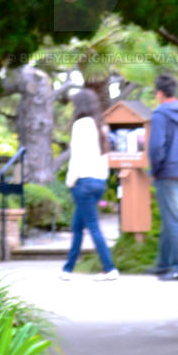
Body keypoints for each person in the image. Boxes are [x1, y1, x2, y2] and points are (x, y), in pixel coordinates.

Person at [61, 89, 119, 281]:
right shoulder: (101, 126)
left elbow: (76, 157)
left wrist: (70, 181)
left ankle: (109, 268)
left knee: (93, 226)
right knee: (78, 226)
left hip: (83, 182)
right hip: (99, 182)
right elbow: (104, 158)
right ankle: (67, 269)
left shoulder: (80, 125)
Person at [147, 72, 178, 281]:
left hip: (167, 172)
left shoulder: (160, 114)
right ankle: (163, 264)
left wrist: (154, 170)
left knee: (174, 220)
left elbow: (156, 145)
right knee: (172, 217)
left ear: (159, 93)